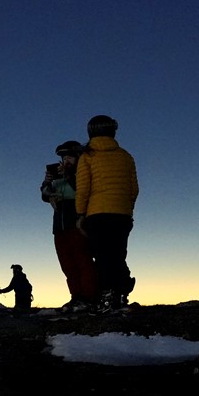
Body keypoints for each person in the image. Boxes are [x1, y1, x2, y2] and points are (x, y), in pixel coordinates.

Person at [75, 114, 139, 313]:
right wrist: (127, 209)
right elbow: (134, 189)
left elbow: (83, 189)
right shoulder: (125, 156)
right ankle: (121, 293)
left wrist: (80, 214)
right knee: (118, 254)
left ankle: (108, 297)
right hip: (122, 214)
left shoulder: (87, 156)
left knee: (102, 256)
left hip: (97, 214)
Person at [41, 140, 98, 310]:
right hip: (60, 225)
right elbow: (44, 195)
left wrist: (69, 175)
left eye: (69, 158)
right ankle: (76, 296)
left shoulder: (82, 173)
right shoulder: (59, 175)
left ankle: (89, 297)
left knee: (83, 261)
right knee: (67, 264)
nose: (66, 161)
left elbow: (84, 190)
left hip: (77, 222)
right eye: (64, 158)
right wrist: (47, 184)